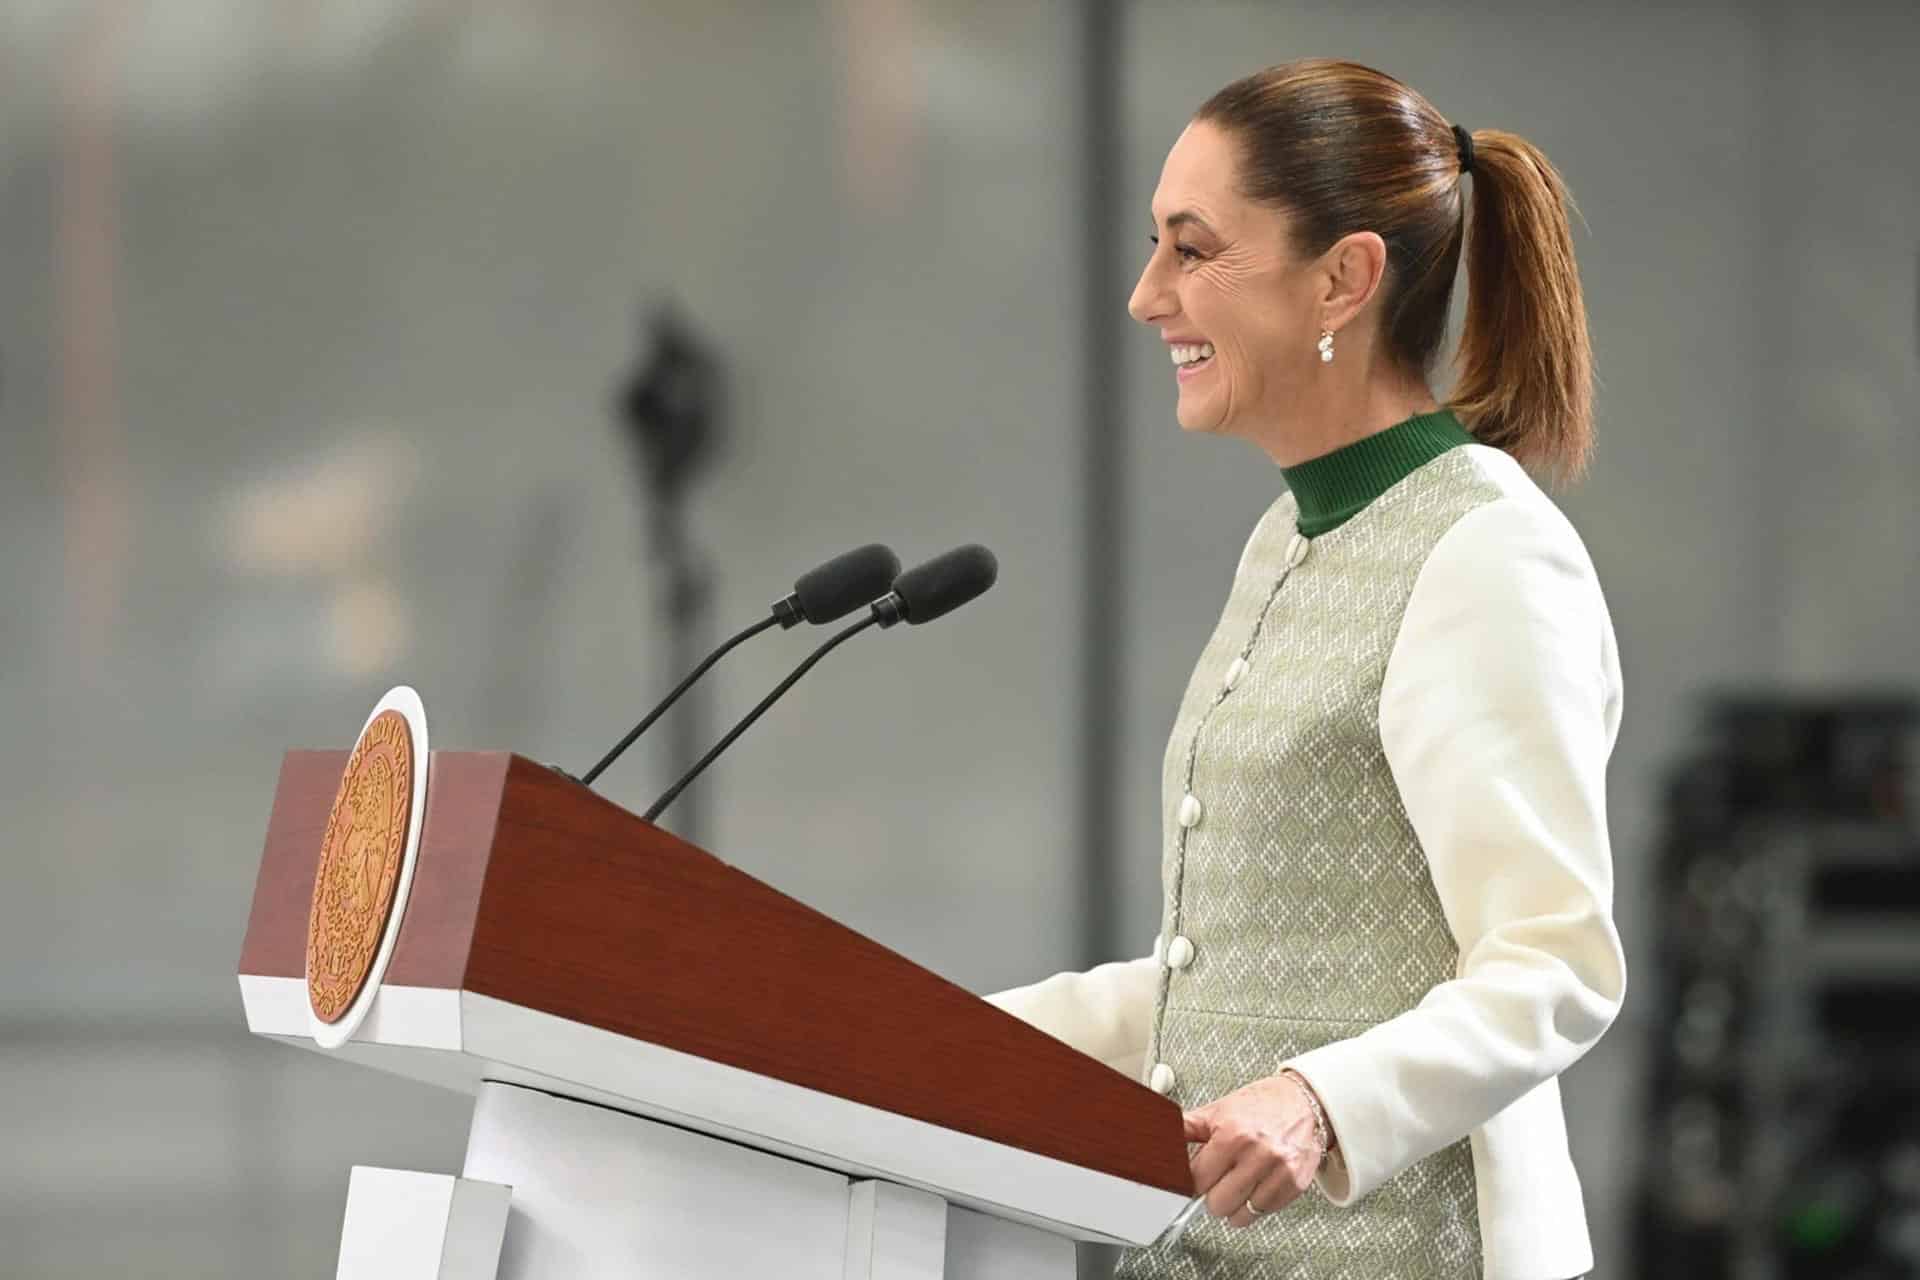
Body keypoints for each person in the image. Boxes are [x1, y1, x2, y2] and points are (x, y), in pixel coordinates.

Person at [985, 58, 1623, 1280]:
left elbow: (1556, 961)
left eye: (1192, 248)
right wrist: (914, 1037)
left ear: (1345, 275)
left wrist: (1320, 1099)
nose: (1145, 295)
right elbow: (1235, 974)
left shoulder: (1487, 550)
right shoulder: (1292, 535)